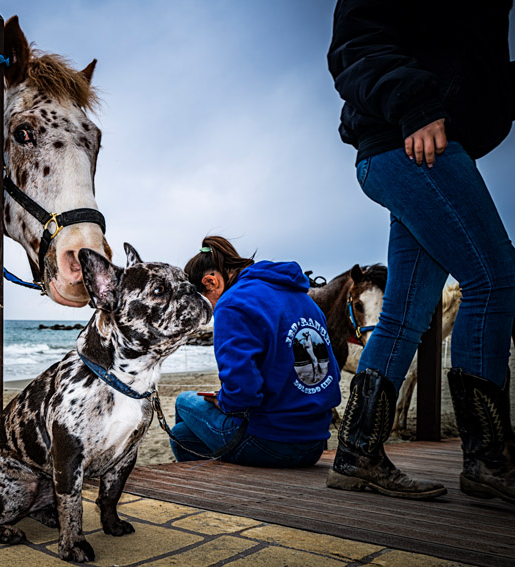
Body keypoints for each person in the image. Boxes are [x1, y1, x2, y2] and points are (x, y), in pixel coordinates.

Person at [327, 0, 515, 502]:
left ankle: (357, 455)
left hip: (415, 146)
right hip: (413, 140)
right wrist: (414, 104)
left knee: (405, 317)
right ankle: (490, 459)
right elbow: (355, 38)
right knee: (494, 280)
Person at [170, 236, 341, 467]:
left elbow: (243, 395)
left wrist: (224, 400)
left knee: (183, 401)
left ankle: (206, 492)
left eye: (205, 304)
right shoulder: (303, 298)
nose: (209, 313)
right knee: (182, 435)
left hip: (270, 442)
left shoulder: (232, 303)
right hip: (314, 443)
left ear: (211, 282)